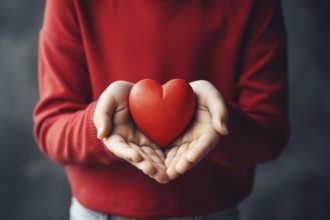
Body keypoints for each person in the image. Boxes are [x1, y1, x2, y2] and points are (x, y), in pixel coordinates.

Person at [33, 0, 291, 219]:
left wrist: (219, 123)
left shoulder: (254, 4)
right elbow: (50, 128)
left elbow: (271, 132)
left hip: (212, 213)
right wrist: (101, 123)